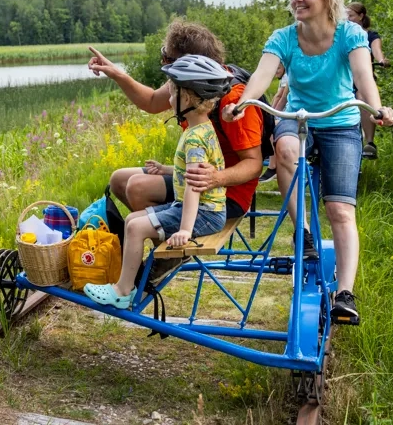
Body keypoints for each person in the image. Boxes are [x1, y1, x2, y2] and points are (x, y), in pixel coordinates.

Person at [224, 0, 393, 322]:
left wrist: (377, 109)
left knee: (340, 211)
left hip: (341, 123)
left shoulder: (350, 34)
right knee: (285, 149)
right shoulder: (284, 37)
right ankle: (302, 232)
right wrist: (242, 103)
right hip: (299, 119)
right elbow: (261, 74)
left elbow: (364, 77)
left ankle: (345, 294)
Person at [87, 20, 262, 282]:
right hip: (194, 178)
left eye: (167, 58)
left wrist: (216, 177)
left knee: (137, 187)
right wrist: (117, 73)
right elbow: (149, 101)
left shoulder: (232, 98)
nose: (164, 65)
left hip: (224, 196)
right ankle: (157, 237)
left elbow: (254, 164)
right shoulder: (188, 86)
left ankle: (172, 250)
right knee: (119, 179)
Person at [83, 55, 231, 309]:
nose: (169, 100)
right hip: (207, 210)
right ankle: (127, 282)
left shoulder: (194, 138)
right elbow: (192, 170)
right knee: (132, 220)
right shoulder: (203, 129)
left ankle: (121, 292)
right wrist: (169, 169)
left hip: (204, 214)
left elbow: (195, 186)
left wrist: (185, 230)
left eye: (172, 94)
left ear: (187, 98)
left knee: (135, 228)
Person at [346, 2, 389, 159]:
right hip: (344, 79)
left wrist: (381, 60)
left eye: (350, 16)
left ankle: (369, 143)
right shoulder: (344, 34)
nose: (347, 19)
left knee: (362, 99)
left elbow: (376, 51)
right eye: (345, 16)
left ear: (361, 16)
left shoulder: (370, 36)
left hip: (362, 79)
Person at [259, 63, 290, 183]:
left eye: (278, 68)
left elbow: (280, 97)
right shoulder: (285, 77)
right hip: (288, 112)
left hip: (291, 113)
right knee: (271, 123)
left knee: (272, 127)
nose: (276, 71)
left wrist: (271, 114)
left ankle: (273, 165)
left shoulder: (287, 76)